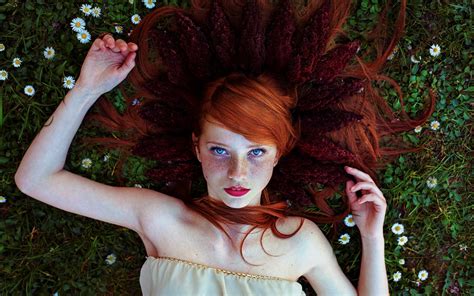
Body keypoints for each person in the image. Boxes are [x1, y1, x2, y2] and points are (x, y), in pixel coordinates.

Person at [15, 0, 434, 295]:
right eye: (220, 151)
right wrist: (87, 90)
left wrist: (372, 236)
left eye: (256, 153)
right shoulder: (161, 218)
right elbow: (36, 180)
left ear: (280, 153)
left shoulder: (299, 242)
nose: (237, 173)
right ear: (197, 147)